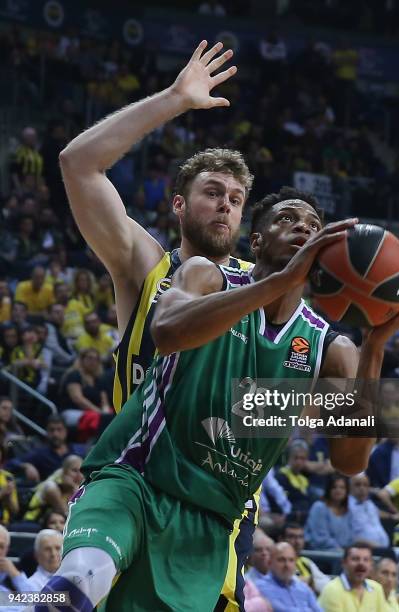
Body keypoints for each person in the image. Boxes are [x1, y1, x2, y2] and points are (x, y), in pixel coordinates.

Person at [37, 188, 399, 609]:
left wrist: (376, 346)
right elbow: (166, 331)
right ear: (256, 242)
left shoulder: (331, 348)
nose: (303, 229)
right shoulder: (207, 275)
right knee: (76, 583)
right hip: (138, 477)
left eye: (313, 226)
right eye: (287, 219)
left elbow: (350, 460)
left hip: (210, 521)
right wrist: (281, 281)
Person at [59, 39, 255, 612]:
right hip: (133, 478)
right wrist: (174, 99)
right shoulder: (148, 266)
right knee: (68, 591)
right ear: (177, 204)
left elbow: (335, 405)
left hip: (214, 517)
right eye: (212, 192)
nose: (225, 205)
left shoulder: (264, 293)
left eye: (236, 199)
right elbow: (78, 164)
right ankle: (17, 601)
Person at [255, 542, 322, 611]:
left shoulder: (303, 588)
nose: (287, 565)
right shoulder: (261, 587)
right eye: (281, 560)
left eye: (291, 560)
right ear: (270, 563)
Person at [319, 543, 386, 611]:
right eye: (355, 559)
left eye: (366, 560)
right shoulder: (332, 590)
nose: (361, 563)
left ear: (371, 565)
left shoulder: (377, 588)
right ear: (344, 563)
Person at [304, 474, 353, 550]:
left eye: (342, 488)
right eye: (334, 487)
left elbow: (350, 538)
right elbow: (319, 538)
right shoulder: (319, 507)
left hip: (342, 554)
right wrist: (340, 550)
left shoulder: (349, 511)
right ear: (328, 489)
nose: (338, 490)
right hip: (321, 554)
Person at [281, 522, 330, 596]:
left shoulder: (306, 562)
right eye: (292, 537)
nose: (297, 541)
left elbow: (328, 585)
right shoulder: (276, 563)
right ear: (281, 539)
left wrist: (311, 581)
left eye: (300, 537)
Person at [349, 473, 389, 549]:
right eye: (357, 485)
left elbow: (379, 513)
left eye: (365, 485)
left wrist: (392, 516)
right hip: (362, 550)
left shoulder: (369, 504)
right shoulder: (346, 506)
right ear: (350, 487)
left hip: (382, 548)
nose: (362, 488)